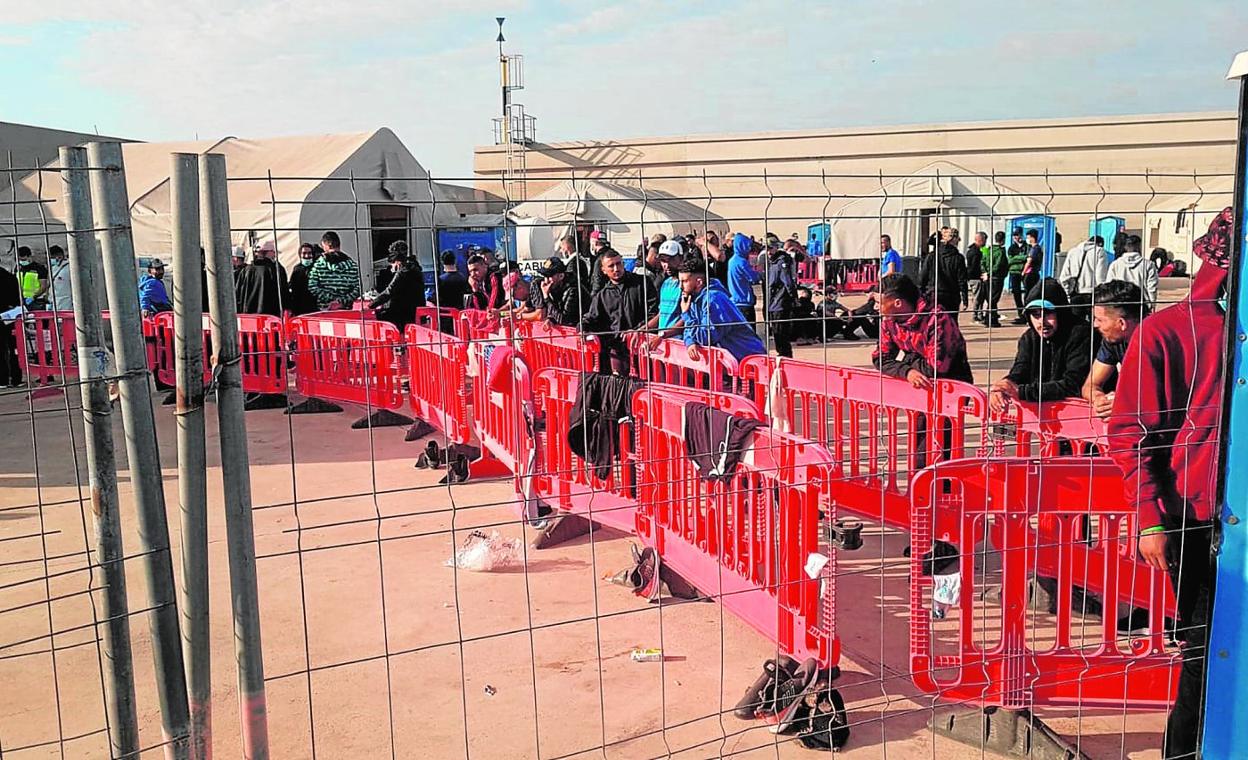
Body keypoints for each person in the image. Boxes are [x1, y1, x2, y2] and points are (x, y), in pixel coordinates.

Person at [1107, 208, 1231, 760]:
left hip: (1207, 512)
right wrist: (1151, 516)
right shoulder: (1169, 331)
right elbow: (1131, 433)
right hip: (1198, 518)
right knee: (1205, 654)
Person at [872, 273, 972, 470]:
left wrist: (908, 361)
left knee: (942, 446)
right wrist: (906, 371)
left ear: (897, 303)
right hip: (920, 387)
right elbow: (880, 357)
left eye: (879, 302)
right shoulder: (889, 321)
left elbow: (937, 366)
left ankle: (944, 493)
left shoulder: (937, 318)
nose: (876, 307)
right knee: (919, 444)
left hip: (951, 387)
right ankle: (921, 489)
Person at [988, 278, 1093, 414]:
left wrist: (1021, 391)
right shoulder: (1029, 338)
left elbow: (1074, 383)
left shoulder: (1082, 334)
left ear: (1061, 313)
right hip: (1049, 414)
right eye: (1035, 315)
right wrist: (1003, 386)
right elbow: (1021, 370)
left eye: (1047, 313)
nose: (1041, 322)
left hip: (1083, 413)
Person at [584, 249, 657, 375]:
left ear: (623, 264)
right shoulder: (602, 296)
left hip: (644, 348)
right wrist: (584, 332)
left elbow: (654, 312)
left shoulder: (642, 283)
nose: (616, 269)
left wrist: (638, 330)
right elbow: (590, 319)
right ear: (603, 270)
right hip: (617, 351)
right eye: (611, 266)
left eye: (618, 264)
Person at [1082, 280, 1148, 419]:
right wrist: (1100, 399)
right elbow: (1090, 385)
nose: (1094, 324)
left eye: (1099, 319)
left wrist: (1124, 404)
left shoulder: (1158, 342)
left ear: (1121, 323)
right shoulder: (1113, 340)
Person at [677, 259, 766, 362]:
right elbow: (689, 330)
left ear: (699, 282)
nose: (680, 286)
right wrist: (690, 342)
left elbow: (706, 338)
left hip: (749, 358)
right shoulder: (692, 298)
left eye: (684, 281)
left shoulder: (714, 299)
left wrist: (686, 314)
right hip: (733, 360)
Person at [369, 241, 426, 330]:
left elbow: (389, 291)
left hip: (405, 314)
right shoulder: (415, 267)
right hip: (414, 310)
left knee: (377, 317)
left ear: (396, 261)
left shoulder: (404, 271)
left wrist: (371, 305)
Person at [1057, 236, 1111, 317]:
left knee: (1077, 322)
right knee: (1094, 323)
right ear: (1100, 244)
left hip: (1075, 293)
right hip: (1092, 293)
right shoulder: (1100, 251)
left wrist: (1068, 291)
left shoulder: (1073, 251)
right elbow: (1100, 277)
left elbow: (1063, 277)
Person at [918, 227, 968, 314]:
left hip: (933, 294)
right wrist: (965, 298)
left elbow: (923, 277)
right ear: (954, 240)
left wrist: (920, 295)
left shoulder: (932, 256)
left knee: (933, 323)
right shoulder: (958, 258)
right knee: (951, 323)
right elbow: (962, 280)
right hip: (951, 296)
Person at [528, 257, 588, 328]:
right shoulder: (555, 287)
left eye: (549, 276)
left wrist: (547, 298)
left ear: (561, 276)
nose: (546, 281)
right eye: (545, 276)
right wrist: (550, 319)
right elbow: (556, 311)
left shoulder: (573, 290)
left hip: (588, 330)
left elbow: (564, 320)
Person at [235, 241, 290, 317]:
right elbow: (284, 292)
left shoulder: (245, 270)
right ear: (268, 252)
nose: (275, 255)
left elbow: (238, 294)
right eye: (273, 252)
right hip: (271, 318)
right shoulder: (276, 269)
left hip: (249, 318)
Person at [309, 231, 361, 310]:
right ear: (339, 245)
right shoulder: (353, 265)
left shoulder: (318, 265)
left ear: (325, 246)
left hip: (324, 310)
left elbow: (312, 287)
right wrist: (341, 302)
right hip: (346, 310)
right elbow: (358, 289)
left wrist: (330, 299)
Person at [764, 238, 798, 357]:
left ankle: (785, 356)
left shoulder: (781, 262)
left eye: (771, 248)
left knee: (781, 333)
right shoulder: (772, 262)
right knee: (777, 333)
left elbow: (787, 282)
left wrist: (793, 298)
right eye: (766, 248)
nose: (768, 251)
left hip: (780, 303)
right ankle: (782, 354)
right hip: (773, 303)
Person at [1106, 234, 1159, 307]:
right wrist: (1152, 304)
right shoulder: (1148, 265)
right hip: (1142, 304)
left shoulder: (1115, 265)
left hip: (1121, 304)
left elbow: (1110, 285)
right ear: (1139, 246)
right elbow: (1152, 287)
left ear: (1125, 247)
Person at [647, 240, 685, 333]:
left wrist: (665, 334)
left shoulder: (686, 284)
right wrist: (642, 330)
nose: (667, 265)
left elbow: (688, 318)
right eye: (663, 261)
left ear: (681, 258)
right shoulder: (665, 283)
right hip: (663, 343)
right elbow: (661, 314)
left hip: (679, 342)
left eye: (671, 260)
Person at [975, 231, 1010, 326]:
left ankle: (992, 318)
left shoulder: (988, 250)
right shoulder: (1001, 252)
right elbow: (998, 265)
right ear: (1003, 240)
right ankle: (989, 319)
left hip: (988, 278)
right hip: (997, 278)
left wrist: (985, 272)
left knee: (990, 298)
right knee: (993, 299)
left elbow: (982, 262)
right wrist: (990, 273)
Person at [431, 251, 471, 333]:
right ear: (454, 261)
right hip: (460, 315)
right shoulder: (463, 278)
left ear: (442, 262)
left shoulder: (441, 279)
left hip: (445, 316)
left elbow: (435, 298)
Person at [727, 232, 761, 324]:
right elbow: (755, 278)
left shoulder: (732, 261)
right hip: (744, 302)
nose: (749, 249)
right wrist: (759, 271)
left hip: (735, 301)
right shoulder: (742, 262)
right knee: (749, 333)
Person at [1013, 229, 1044, 324]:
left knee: (1028, 296)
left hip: (1030, 274)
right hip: (1034, 273)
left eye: (1028, 237)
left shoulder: (1034, 249)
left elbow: (1029, 261)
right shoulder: (1038, 248)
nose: (1027, 239)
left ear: (1032, 237)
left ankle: (1026, 317)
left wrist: (1023, 272)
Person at [0, 262, 22, 386]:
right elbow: (17, 299)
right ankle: (16, 379)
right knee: (14, 348)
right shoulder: (10, 277)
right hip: (10, 317)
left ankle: (2, 380)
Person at [287, 242, 320, 316]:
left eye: (309, 253)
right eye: (304, 253)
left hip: (314, 308)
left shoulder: (317, 268)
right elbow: (293, 286)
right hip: (299, 309)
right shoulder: (297, 269)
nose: (307, 256)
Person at [1006, 228, 1030, 323]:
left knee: (1027, 292)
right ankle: (1021, 314)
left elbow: (1028, 257)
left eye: (1017, 235)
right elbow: (1010, 260)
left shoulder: (1026, 246)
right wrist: (1022, 258)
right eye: (1014, 235)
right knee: (1016, 293)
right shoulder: (1011, 248)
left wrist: (1018, 258)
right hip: (1014, 272)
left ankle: (1027, 313)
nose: (1016, 237)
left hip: (1024, 272)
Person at [45, 246, 72, 312]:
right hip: (53, 302)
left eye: (51, 258)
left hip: (65, 303)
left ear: (59, 257)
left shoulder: (69, 268)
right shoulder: (53, 268)